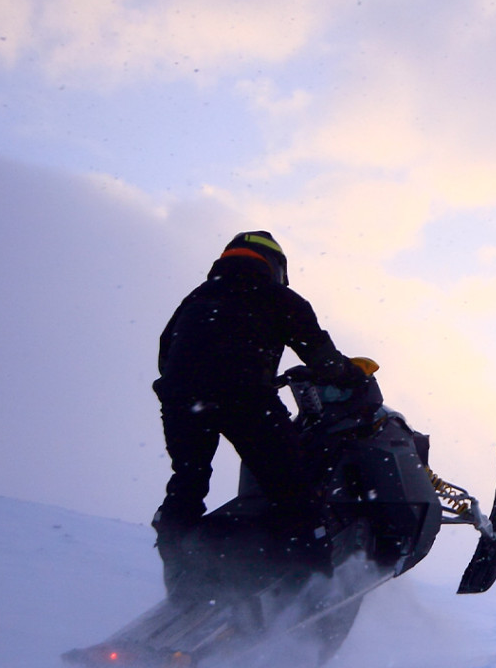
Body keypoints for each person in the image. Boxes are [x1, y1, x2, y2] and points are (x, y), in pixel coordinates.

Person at [151, 230, 363, 573]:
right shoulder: (279, 297)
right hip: (244, 396)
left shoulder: (195, 298)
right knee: (291, 488)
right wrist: (349, 374)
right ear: (275, 266)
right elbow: (321, 358)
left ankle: (179, 560)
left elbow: (165, 355)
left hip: (181, 399)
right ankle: (310, 576)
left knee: (187, 480)